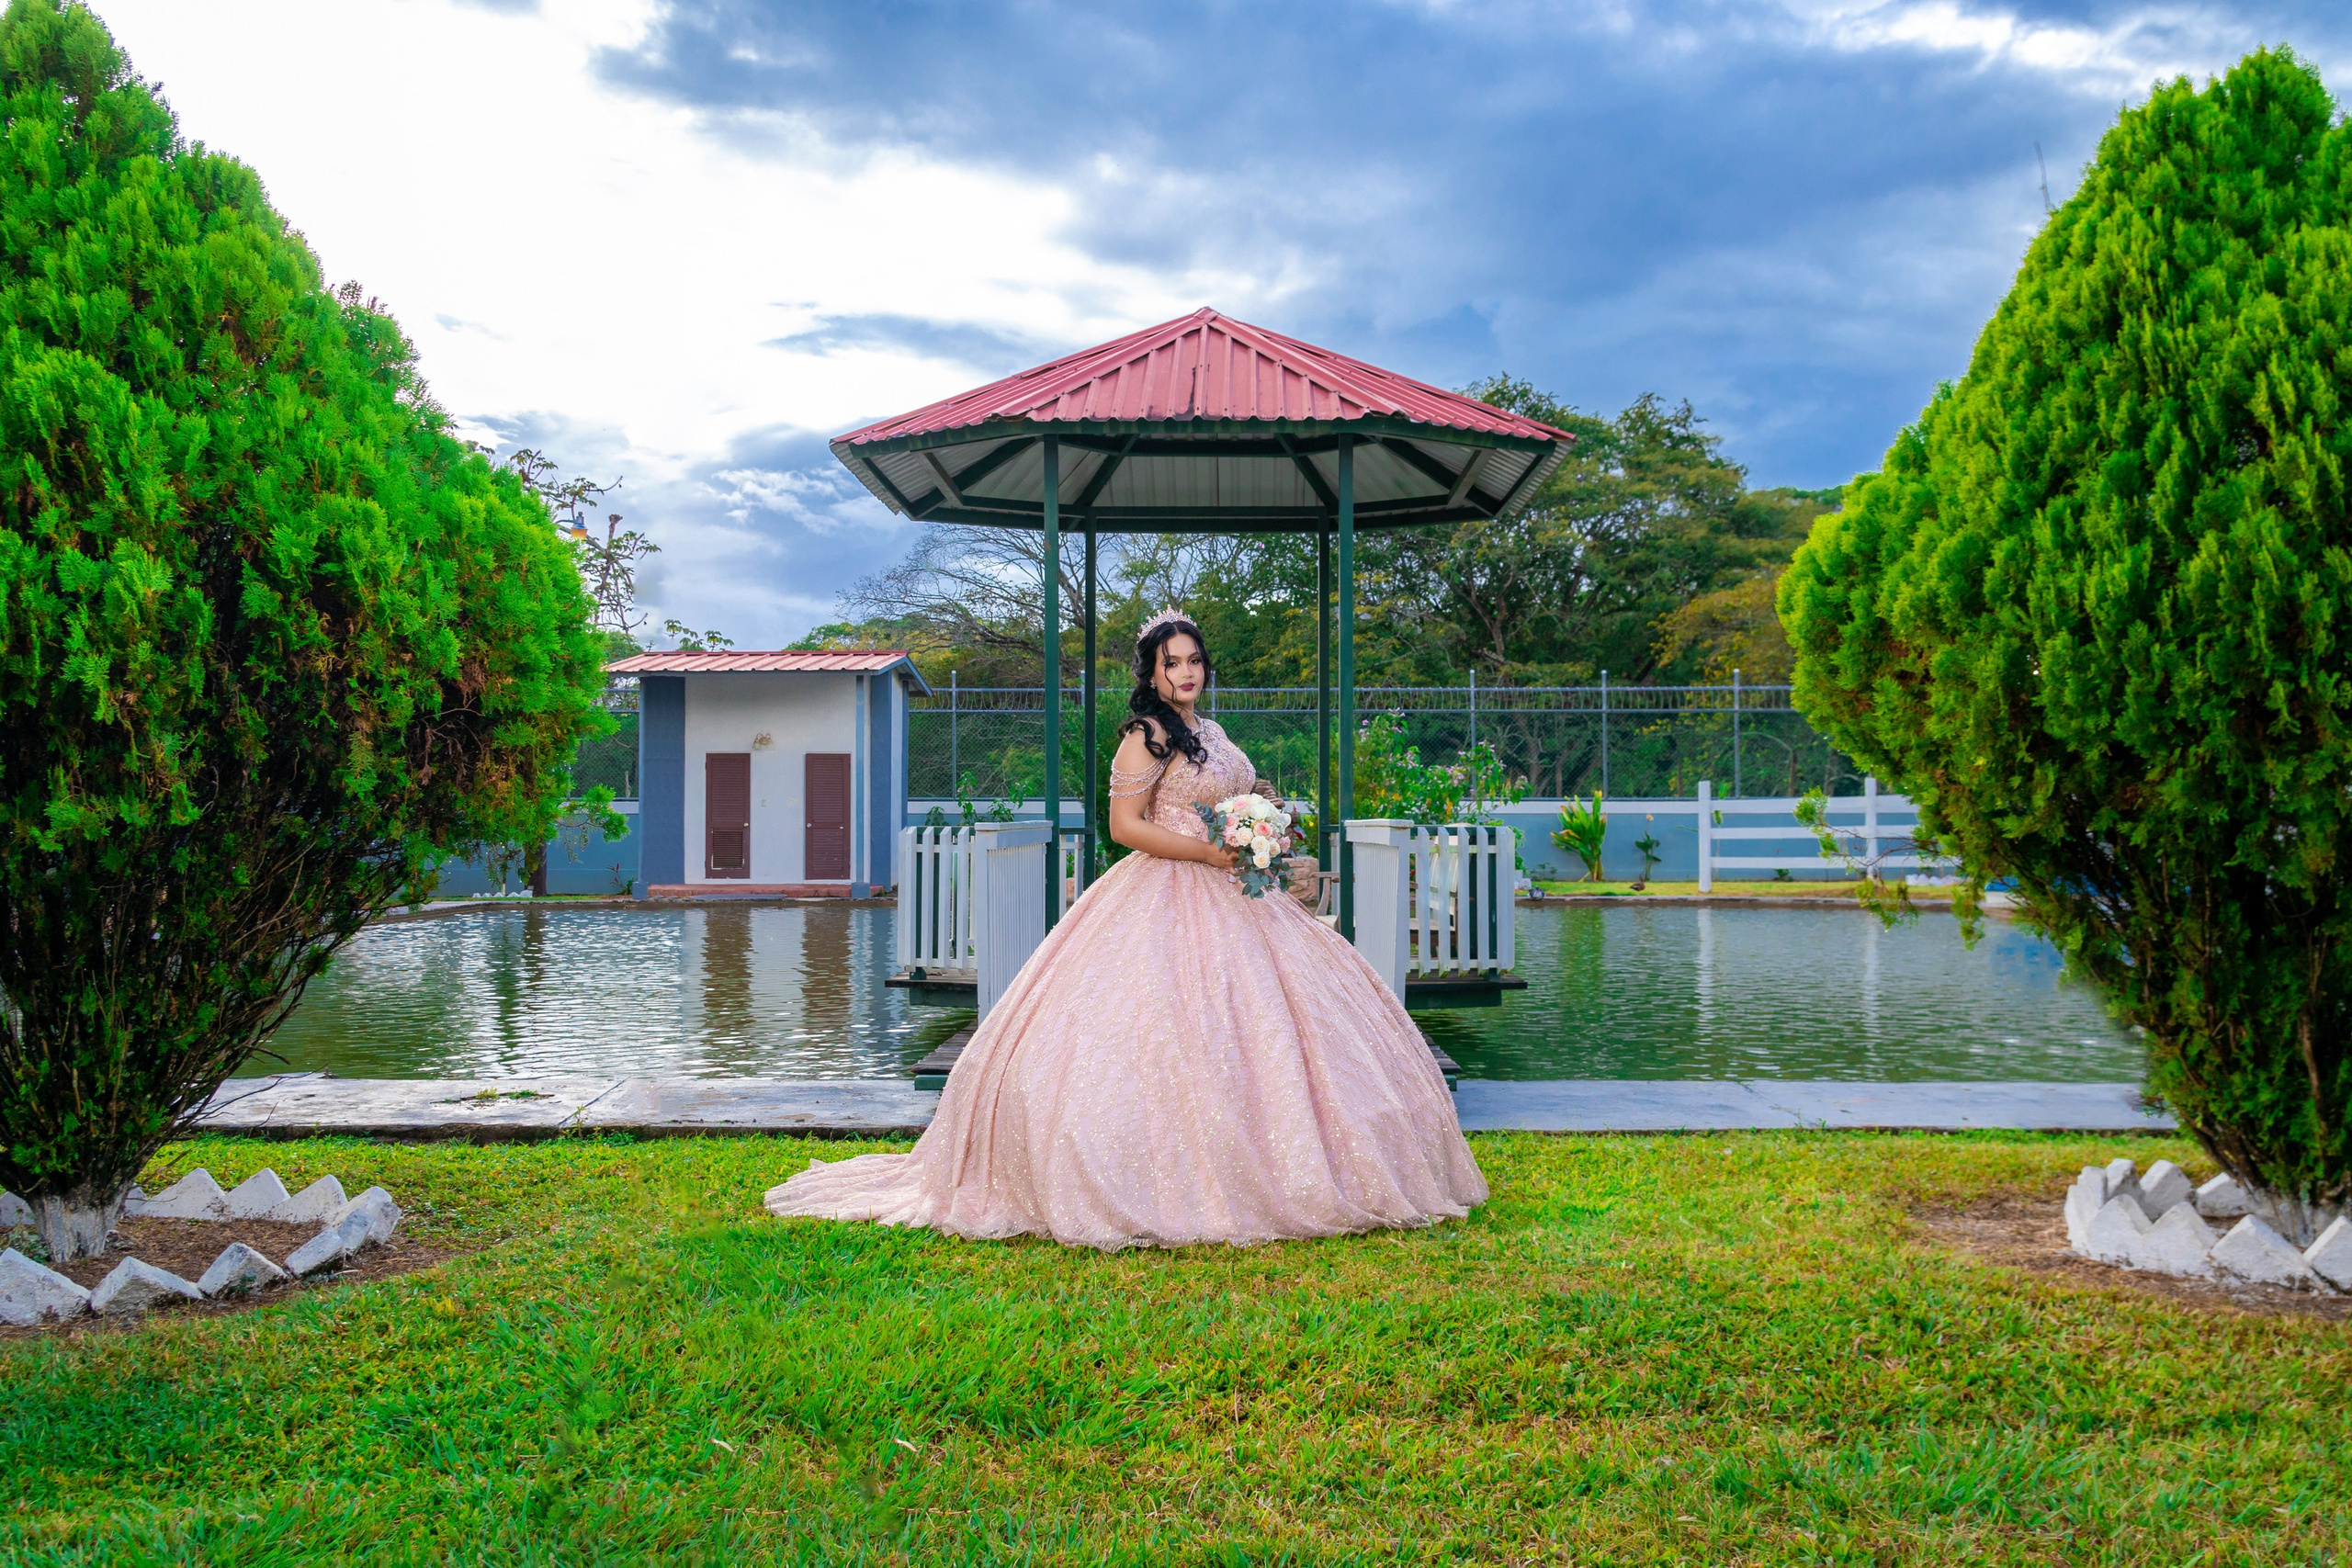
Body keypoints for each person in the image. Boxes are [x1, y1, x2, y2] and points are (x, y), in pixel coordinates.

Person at [763, 611, 1487, 1249]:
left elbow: (1240, 792)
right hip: (1167, 888)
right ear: (1150, 672)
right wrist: (1211, 849)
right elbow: (1123, 828)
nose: (1186, 672)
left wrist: (1268, 817)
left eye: (1194, 660)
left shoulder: (1215, 732)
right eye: (1171, 662)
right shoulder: (1145, 736)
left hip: (1241, 892)